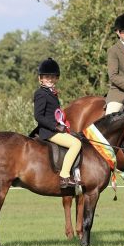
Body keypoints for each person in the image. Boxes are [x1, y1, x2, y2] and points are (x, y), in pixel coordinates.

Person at [33, 58, 82, 188]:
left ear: (56, 78)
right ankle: (64, 176)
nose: (49, 79)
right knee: (76, 144)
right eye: (46, 77)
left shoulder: (52, 93)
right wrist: (55, 126)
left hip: (54, 129)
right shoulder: (41, 94)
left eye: (52, 77)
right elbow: (38, 116)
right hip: (48, 131)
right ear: (41, 79)